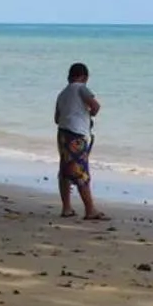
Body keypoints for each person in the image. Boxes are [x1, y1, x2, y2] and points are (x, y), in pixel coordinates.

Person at [53, 61, 105, 220]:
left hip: (62, 134)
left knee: (65, 171)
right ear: (84, 77)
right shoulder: (82, 88)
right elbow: (96, 106)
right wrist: (89, 113)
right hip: (76, 135)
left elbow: (56, 118)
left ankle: (66, 208)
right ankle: (90, 210)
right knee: (80, 172)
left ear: (69, 76)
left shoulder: (62, 94)